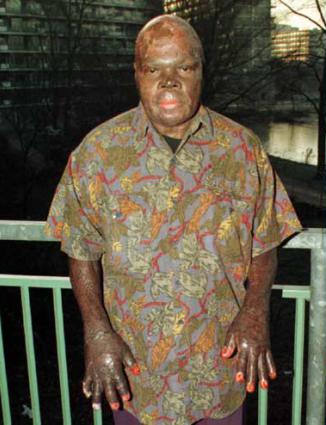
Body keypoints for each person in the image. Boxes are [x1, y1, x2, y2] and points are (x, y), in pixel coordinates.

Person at [45, 14, 301, 425]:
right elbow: (80, 250)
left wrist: (255, 313)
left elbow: (265, 241)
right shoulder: (97, 153)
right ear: (137, 74)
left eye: (183, 67)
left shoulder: (241, 149)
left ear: (201, 72)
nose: (169, 82)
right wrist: (96, 332)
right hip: (137, 376)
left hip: (218, 370)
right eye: (154, 69)